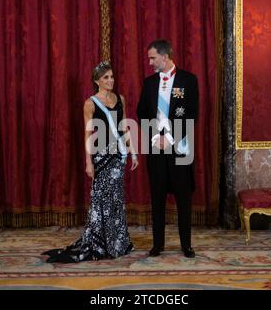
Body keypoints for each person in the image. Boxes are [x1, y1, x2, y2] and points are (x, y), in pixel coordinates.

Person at [42, 61, 139, 263]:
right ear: (97, 81)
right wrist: (88, 162)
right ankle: (99, 242)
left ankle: (117, 242)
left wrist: (134, 153)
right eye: (106, 78)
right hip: (101, 157)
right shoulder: (90, 103)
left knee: (116, 200)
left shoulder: (120, 98)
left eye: (112, 76)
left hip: (118, 157)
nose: (111, 80)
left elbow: (124, 127)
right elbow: (88, 135)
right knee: (100, 201)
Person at [137, 39, 199, 258]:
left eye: (153, 58)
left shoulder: (188, 80)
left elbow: (192, 115)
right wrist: (156, 137)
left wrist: (171, 138)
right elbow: (142, 112)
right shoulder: (149, 82)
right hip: (156, 149)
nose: (150, 62)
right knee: (157, 197)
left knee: (183, 199)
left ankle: (186, 245)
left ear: (165, 56)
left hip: (180, 148)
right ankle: (158, 244)